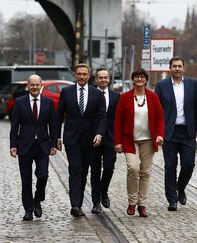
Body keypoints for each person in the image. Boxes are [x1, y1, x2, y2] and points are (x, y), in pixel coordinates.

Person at [154, 56, 197, 211]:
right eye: (174, 66)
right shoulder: (161, 85)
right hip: (169, 132)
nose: (177, 69)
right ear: (170, 68)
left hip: (188, 131)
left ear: (184, 68)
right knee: (170, 166)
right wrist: (158, 132)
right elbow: (157, 111)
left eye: (179, 66)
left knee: (188, 164)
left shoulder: (192, 83)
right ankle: (172, 200)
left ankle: (180, 188)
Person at [56, 63, 106, 217]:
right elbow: (58, 116)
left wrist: (99, 133)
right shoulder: (66, 92)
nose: (82, 77)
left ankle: (79, 200)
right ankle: (75, 205)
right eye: (79, 74)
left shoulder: (97, 94)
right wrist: (57, 136)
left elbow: (102, 117)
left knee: (84, 171)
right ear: (75, 75)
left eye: (84, 74)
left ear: (89, 76)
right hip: (72, 138)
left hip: (90, 140)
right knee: (75, 170)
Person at [114, 68, 164, 217]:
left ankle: (142, 204)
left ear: (146, 80)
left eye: (142, 77)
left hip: (148, 140)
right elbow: (118, 121)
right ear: (133, 79)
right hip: (130, 140)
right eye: (136, 77)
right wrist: (118, 142)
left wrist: (160, 135)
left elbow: (160, 118)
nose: (139, 79)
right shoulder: (125, 97)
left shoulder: (153, 97)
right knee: (133, 168)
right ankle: (132, 201)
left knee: (145, 172)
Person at [9, 74, 58, 221]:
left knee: (43, 175)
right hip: (24, 145)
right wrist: (13, 145)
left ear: (41, 85)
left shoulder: (48, 103)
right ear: (28, 86)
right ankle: (29, 209)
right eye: (32, 85)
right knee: (26, 180)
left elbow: (54, 125)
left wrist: (54, 144)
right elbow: (14, 126)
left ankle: (38, 199)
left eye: (37, 85)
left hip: (42, 145)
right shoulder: (19, 102)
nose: (35, 87)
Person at [90, 68, 120, 212]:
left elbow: (119, 120)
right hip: (94, 138)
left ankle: (103, 191)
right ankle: (96, 202)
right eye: (100, 77)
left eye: (105, 77)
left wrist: (118, 139)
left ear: (109, 79)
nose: (103, 80)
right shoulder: (90, 94)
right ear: (96, 79)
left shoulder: (115, 96)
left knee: (109, 167)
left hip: (110, 138)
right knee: (95, 171)